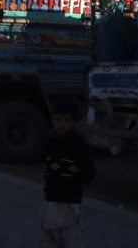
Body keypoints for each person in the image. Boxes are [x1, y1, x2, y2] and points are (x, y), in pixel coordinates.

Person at [39, 101, 96, 248]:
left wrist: (75, 175)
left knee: (70, 239)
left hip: (70, 200)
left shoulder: (80, 144)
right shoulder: (49, 141)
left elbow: (90, 172)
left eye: (67, 120)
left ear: (73, 122)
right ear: (52, 119)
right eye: (58, 119)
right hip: (51, 198)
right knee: (48, 237)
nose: (62, 124)